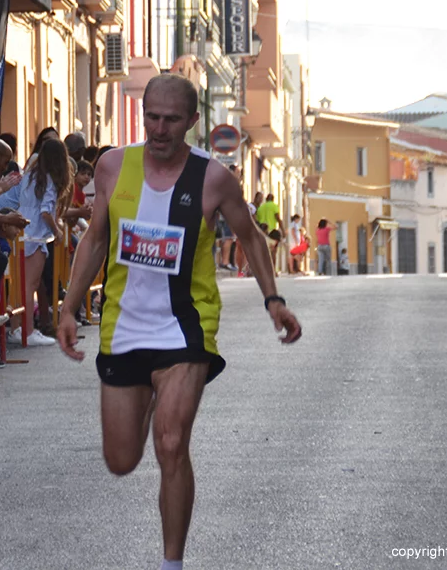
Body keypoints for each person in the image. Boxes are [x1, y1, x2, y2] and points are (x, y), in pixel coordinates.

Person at [55, 73, 301, 570]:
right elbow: (96, 239)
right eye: (152, 117)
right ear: (143, 114)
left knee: (172, 442)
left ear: (192, 121)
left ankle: (173, 563)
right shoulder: (112, 167)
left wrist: (272, 298)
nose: (160, 128)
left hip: (186, 327)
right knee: (121, 460)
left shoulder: (213, 178)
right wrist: (66, 307)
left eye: (171, 120)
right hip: (123, 327)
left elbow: (251, 237)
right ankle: (148, 399)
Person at [15, 138, 71, 346]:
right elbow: (46, 211)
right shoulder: (50, 180)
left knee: (21, 286)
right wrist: (57, 232)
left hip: (22, 231)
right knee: (30, 285)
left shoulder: (30, 175)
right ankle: (28, 331)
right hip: (37, 235)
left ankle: (18, 328)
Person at [256, 193, 285, 271]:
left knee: (263, 251)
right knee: (273, 252)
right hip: (272, 231)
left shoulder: (260, 208)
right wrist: (283, 230)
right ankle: (272, 270)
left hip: (262, 231)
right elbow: (278, 218)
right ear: (273, 199)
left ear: (266, 199)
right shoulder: (274, 206)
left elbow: (257, 220)